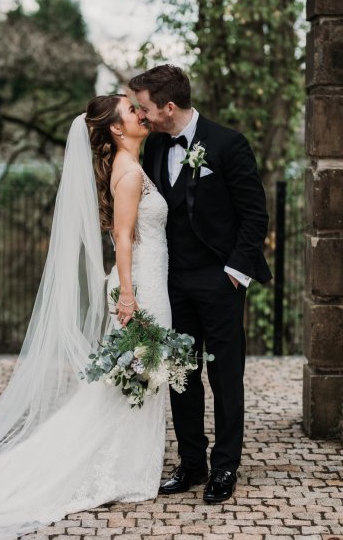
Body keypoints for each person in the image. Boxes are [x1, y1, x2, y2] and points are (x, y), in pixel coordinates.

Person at [0, 95, 171, 540]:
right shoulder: (127, 174)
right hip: (140, 284)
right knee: (136, 375)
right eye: (131, 111)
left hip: (150, 279)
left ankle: (129, 465)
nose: (139, 114)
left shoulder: (132, 167)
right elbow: (123, 240)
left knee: (138, 376)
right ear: (118, 131)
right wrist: (128, 296)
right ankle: (121, 470)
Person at [129, 64, 272, 503]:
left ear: (169, 106)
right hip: (172, 280)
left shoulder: (228, 143)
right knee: (182, 374)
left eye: (146, 107)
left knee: (226, 374)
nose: (142, 115)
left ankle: (226, 465)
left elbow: (255, 215)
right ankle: (192, 462)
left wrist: (234, 272)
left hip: (219, 278)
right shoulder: (153, 146)